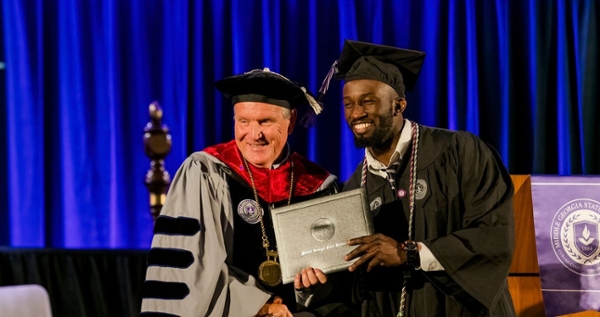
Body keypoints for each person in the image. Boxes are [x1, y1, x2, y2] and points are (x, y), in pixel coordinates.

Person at [322, 40, 516, 316]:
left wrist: (408, 253)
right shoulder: (354, 188)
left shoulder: (459, 151)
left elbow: (493, 235)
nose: (356, 113)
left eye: (368, 101)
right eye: (349, 104)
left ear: (399, 105)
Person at [140, 68, 340, 317]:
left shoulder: (317, 184)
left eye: (265, 122)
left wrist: (311, 290)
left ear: (290, 122)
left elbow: (333, 285)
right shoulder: (205, 172)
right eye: (244, 121)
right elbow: (194, 270)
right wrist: (258, 306)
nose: (254, 135)